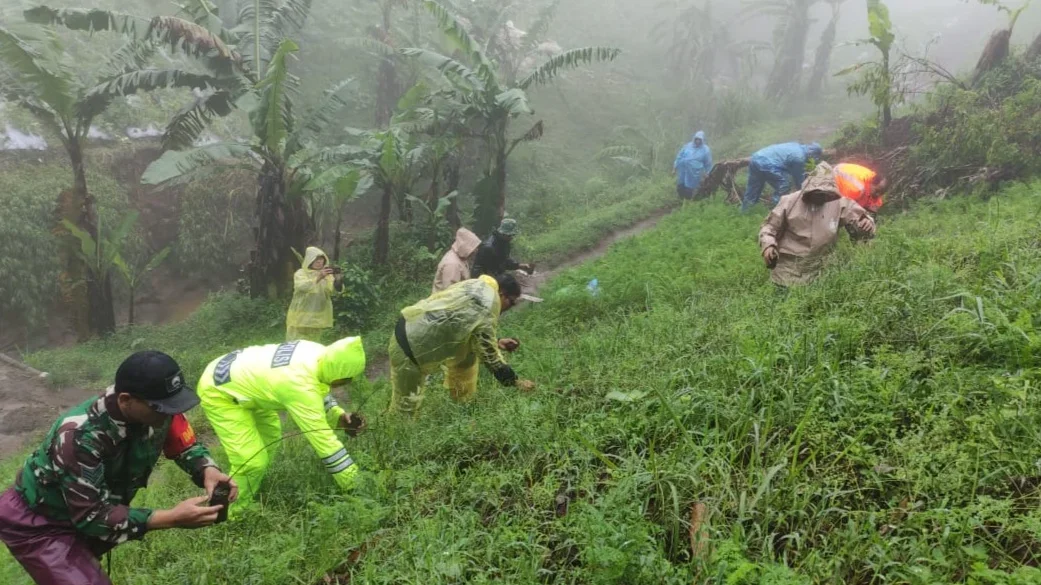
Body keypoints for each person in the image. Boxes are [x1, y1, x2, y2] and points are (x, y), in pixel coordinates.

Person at [0, 351, 237, 585]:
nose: (170, 414)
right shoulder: (79, 436)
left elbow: (184, 446)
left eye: (174, 405)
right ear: (125, 400)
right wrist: (171, 518)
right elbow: (93, 517)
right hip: (39, 523)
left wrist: (207, 470)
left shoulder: (159, 408)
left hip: (87, 510)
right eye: (161, 408)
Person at [197, 337, 367, 518]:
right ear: (337, 371)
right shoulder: (298, 384)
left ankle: (251, 488)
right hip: (219, 390)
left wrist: (338, 415)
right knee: (251, 459)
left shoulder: (319, 353)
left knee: (270, 437)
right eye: (343, 381)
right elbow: (324, 442)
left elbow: (317, 387)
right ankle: (230, 515)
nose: (342, 385)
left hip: (243, 380)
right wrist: (357, 486)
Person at [389, 273, 536, 416]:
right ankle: (391, 435)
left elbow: (461, 328)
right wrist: (516, 382)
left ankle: (462, 408)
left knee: (405, 403)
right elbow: (490, 357)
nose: (508, 308)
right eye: (511, 302)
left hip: (408, 331)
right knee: (404, 410)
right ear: (502, 293)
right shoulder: (488, 303)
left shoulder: (477, 286)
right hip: (410, 347)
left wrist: (497, 342)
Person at [759, 162, 877, 287]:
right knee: (785, 300)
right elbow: (769, 227)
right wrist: (768, 246)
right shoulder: (789, 202)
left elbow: (861, 219)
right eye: (818, 193)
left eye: (826, 194)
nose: (822, 197)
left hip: (822, 269)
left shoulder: (839, 203)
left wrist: (867, 222)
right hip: (789, 268)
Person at [742, 142, 824, 213]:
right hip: (767, 163)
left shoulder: (796, 146)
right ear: (812, 154)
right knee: (784, 184)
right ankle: (776, 210)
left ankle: (745, 212)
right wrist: (807, 195)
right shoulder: (799, 158)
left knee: (752, 190)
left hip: (756, 158)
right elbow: (800, 182)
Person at [286, 246, 343, 342]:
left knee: (313, 345)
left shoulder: (327, 276)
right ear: (309, 260)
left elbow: (332, 292)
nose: (319, 262)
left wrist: (338, 280)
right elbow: (302, 286)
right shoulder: (301, 273)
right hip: (299, 318)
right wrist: (319, 277)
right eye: (316, 259)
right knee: (295, 344)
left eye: (321, 259)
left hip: (316, 320)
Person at [433, 228, 482, 293]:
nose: (476, 250)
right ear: (464, 246)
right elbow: (450, 293)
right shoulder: (452, 264)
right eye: (473, 247)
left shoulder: (460, 258)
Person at [673, 131, 713, 201]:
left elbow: (708, 162)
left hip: (694, 172)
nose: (697, 141)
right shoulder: (687, 146)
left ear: (702, 140)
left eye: (699, 140)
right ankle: (682, 200)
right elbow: (679, 156)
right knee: (680, 186)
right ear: (694, 138)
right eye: (696, 139)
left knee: (689, 187)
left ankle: (688, 201)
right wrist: (675, 167)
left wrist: (708, 172)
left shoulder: (705, 150)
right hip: (683, 169)